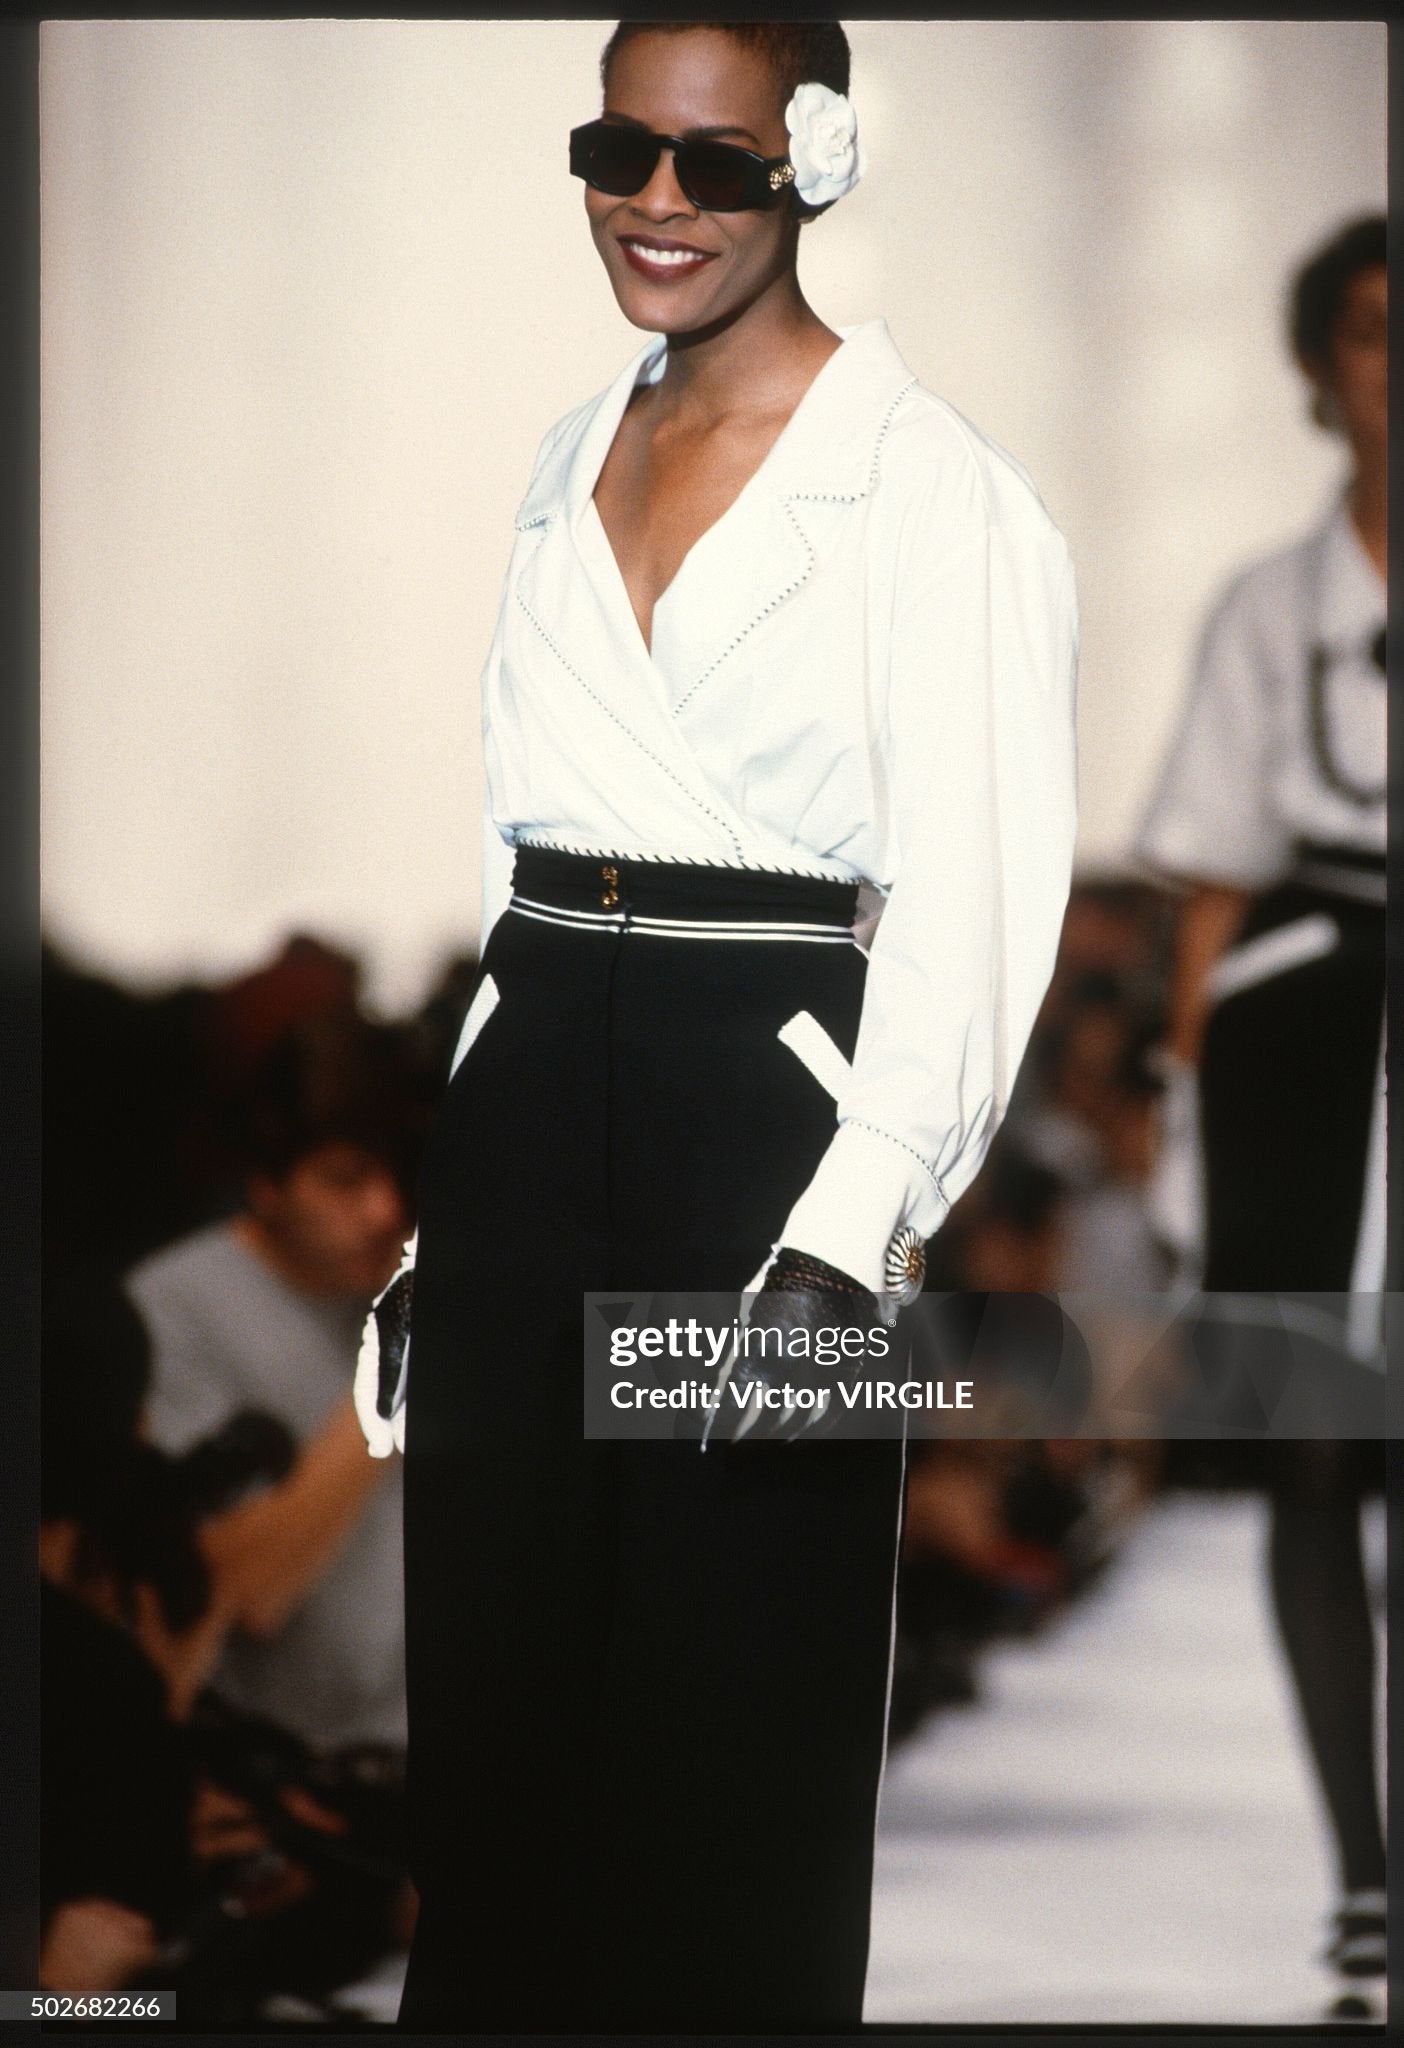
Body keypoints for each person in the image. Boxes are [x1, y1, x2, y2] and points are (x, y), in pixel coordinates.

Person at [356, 21, 1077, 2029]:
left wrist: (852, 1237)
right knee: (497, 1755)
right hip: (528, 1103)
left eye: (719, 164)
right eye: (620, 150)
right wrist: (448, 1215)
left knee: (729, 1753)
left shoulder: (936, 495)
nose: (657, 202)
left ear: (818, 161)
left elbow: (977, 897)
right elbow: (526, 839)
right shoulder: (562, 448)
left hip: (768, 1126)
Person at [1136, 215, 1386, 2020]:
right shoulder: (1259, 606)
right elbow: (1208, 882)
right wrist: (1177, 1110)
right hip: (1299, 1024)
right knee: (1315, 1444)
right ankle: (1360, 1874)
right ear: (1314, 375)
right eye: (1366, 333)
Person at [130, 1011, 418, 1758]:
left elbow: (678, 1390)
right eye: (344, 1179)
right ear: (264, 1181)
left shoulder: (419, 1271)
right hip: (282, 1783)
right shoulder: (168, 1313)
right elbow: (238, 1591)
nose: (384, 1210)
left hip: (441, 1771)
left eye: (403, 1175)